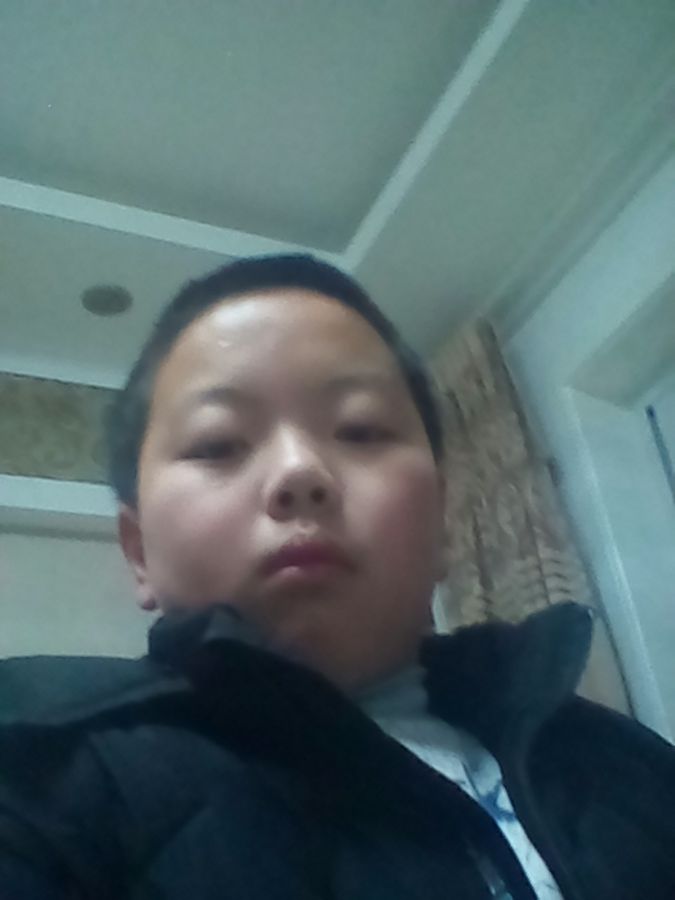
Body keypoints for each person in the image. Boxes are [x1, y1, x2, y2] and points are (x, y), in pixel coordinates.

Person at [0, 255, 673, 900]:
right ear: (139, 552)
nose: (299, 471)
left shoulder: (619, 757)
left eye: (360, 430)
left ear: (441, 524)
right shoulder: (38, 778)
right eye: (218, 443)